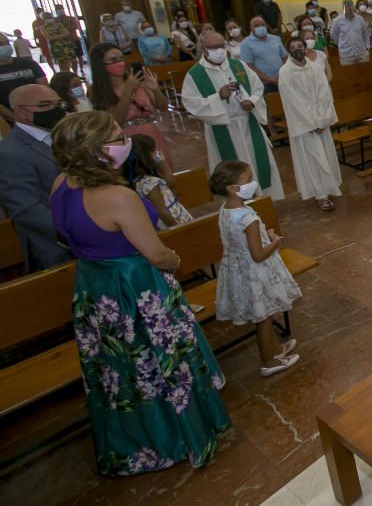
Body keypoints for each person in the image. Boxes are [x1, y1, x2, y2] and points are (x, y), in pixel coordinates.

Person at [49, 111, 229, 475]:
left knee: (121, 367)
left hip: (96, 286)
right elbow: (156, 253)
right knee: (160, 360)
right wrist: (175, 259)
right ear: (93, 149)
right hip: (134, 284)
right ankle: (177, 435)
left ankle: (137, 439)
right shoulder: (117, 196)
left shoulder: (61, 183)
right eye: (117, 138)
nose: (125, 142)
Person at [208, 160, 301, 376]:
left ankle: (275, 349)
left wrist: (261, 237)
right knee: (264, 318)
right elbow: (258, 255)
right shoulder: (248, 218)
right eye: (248, 179)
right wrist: (275, 242)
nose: (253, 182)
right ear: (232, 188)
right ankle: (269, 362)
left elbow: (237, 241)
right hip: (254, 273)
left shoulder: (226, 209)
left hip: (237, 270)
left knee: (264, 317)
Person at [182, 32, 284, 201]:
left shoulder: (239, 65)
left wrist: (251, 101)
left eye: (222, 46)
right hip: (223, 128)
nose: (219, 50)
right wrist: (218, 97)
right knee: (232, 171)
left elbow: (257, 88)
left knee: (257, 163)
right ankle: (239, 204)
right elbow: (192, 105)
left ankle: (262, 200)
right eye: (214, 47)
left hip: (247, 122)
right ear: (204, 50)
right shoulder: (195, 75)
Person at [0, 85, 72, 271]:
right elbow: (27, 210)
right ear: (21, 113)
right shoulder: (10, 153)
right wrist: (77, 231)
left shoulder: (63, 135)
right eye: (45, 105)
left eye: (58, 104)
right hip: (57, 247)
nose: (55, 110)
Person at [278, 37, 342, 211]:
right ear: (288, 51)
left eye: (300, 46)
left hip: (321, 121)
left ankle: (329, 188)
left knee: (325, 156)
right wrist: (311, 123)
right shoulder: (285, 72)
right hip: (303, 124)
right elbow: (292, 101)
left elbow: (324, 94)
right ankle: (320, 195)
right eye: (293, 47)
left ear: (305, 48)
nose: (297, 49)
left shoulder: (315, 67)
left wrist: (322, 120)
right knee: (313, 159)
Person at [89, 43, 173, 168]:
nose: (120, 63)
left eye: (121, 58)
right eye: (113, 60)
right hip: (125, 139)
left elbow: (163, 107)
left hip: (151, 134)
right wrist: (128, 90)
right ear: (101, 64)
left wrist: (155, 89)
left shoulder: (138, 81)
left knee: (164, 172)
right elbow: (115, 120)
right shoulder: (96, 90)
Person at [128, 134, 192, 229]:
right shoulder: (149, 183)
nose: (156, 154)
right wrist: (177, 229)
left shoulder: (141, 179)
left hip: (175, 217)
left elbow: (170, 181)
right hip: (174, 222)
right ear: (147, 155)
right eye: (154, 152)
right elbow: (163, 213)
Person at [0, 34, 46, 123]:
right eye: (0, 44)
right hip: (11, 120)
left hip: (39, 113)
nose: (5, 46)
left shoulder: (29, 64)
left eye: (7, 42)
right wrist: (18, 119)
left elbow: (45, 88)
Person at [239, 17, 287, 93]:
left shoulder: (276, 38)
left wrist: (284, 75)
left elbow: (284, 57)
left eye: (263, 25)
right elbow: (249, 66)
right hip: (265, 84)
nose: (260, 27)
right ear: (251, 28)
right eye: (256, 26)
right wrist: (269, 80)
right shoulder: (246, 44)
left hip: (283, 79)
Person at [329, 0, 372, 65]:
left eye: (350, 6)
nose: (349, 8)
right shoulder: (337, 20)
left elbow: (365, 35)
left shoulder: (360, 19)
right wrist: (342, 44)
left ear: (353, 6)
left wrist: (367, 47)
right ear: (343, 8)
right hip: (346, 56)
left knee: (365, 74)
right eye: (346, 7)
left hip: (362, 54)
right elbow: (334, 35)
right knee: (348, 75)